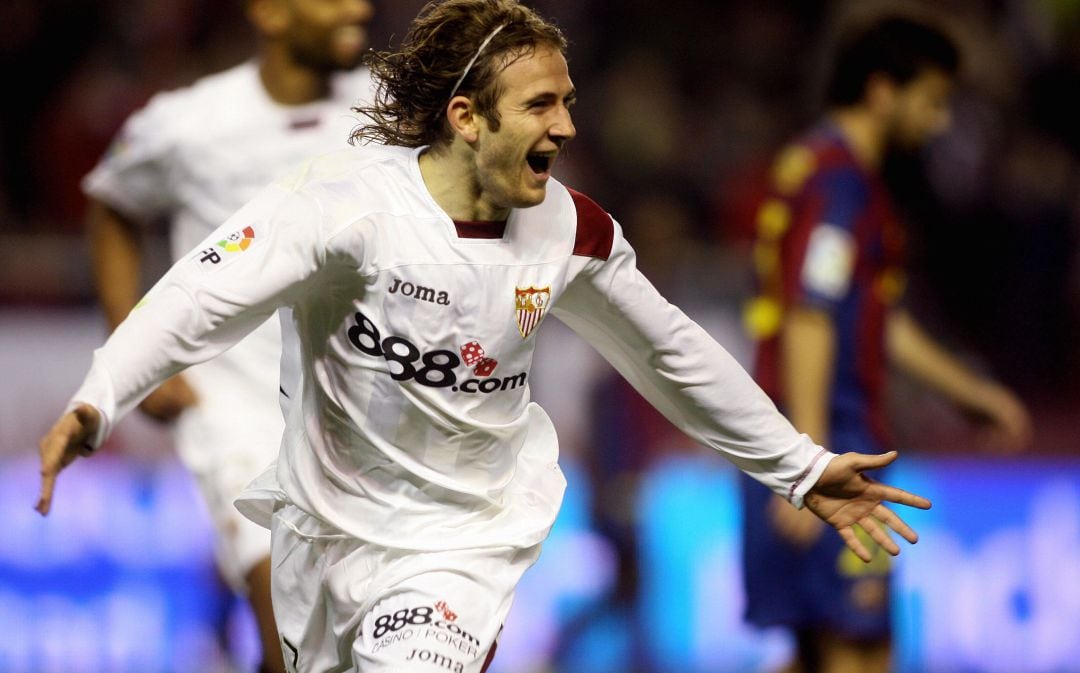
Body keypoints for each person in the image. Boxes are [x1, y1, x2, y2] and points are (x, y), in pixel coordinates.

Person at [40, 2, 932, 671]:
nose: (568, 127)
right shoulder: (344, 208)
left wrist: (800, 464)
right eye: (542, 106)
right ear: (467, 118)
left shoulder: (572, 233)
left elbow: (672, 353)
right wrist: (102, 391)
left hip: (457, 544)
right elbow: (201, 292)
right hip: (326, 530)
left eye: (570, 102)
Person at [79, 1, 375, 671]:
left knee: (346, 644)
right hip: (236, 398)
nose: (357, 6)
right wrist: (133, 346)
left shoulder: (391, 109)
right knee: (286, 609)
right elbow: (112, 202)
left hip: (361, 402)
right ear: (270, 13)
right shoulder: (189, 122)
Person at [740, 14, 1033, 673]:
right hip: (835, 446)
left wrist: (972, 393)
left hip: (792, 436)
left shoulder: (814, 168)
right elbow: (810, 314)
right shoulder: (842, 184)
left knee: (816, 648)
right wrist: (811, 458)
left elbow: (877, 318)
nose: (938, 121)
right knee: (862, 651)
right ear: (881, 91)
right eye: (932, 100)